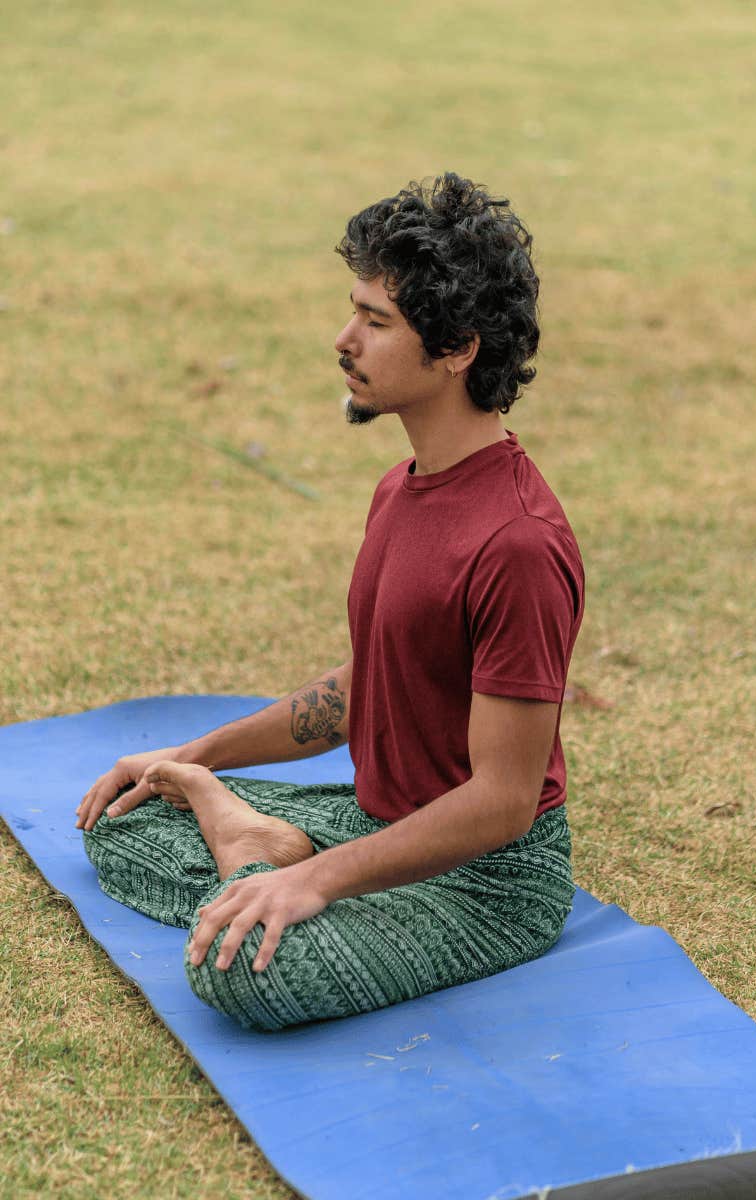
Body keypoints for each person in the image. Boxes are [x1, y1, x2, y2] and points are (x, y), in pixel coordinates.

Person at [75, 173, 585, 1031]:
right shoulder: (403, 486)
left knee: (244, 974)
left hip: (487, 877)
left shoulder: (519, 544)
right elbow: (370, 683)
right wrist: (196, 755)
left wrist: (314, 878)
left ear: (458, 347)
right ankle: (256, 843)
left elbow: (503, 799)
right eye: (354, 311)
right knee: (121, 824)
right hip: (377, 815)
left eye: (376, 322)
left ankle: (266, 854)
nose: (343, 340)